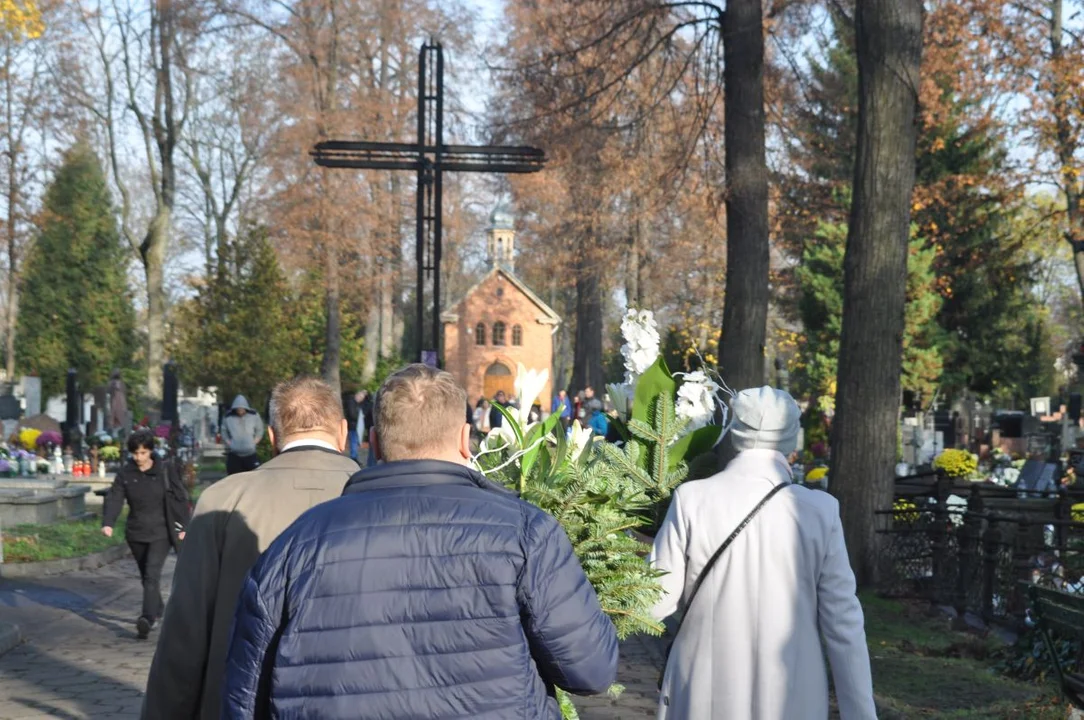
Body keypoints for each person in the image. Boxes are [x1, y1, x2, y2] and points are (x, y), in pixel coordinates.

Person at [221, 364, 618, 718]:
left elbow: (245, 693)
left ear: (373, 443)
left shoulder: (298, 542)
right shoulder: (527, 533)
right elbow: (590, 670)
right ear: (466, 440)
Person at [650, 386, 875, 720]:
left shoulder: (691, 499)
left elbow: (653, 600)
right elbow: (843, 624)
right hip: (794, 695)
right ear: (791, 439)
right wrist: (861, 714)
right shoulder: (820, 511)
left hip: (702, 691)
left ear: (734, 433)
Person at [141, 377, 359, 720]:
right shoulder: (387, 500)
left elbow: (187, 627)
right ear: (344, 432)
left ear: (272, 437)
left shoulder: (223, 501)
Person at [101, 429, 190, 640]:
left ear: (150, 451)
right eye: (135, 453)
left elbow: (180, 500)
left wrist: (183, 527)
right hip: (136, 532)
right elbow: (115, 498)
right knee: (146, 577)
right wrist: (108, 523)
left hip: (161, 532)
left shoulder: (165, 470)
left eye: (143, 452)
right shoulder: (125, 474)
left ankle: (147, 619)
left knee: (152, 574)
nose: (139, 458)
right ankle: (158, 609)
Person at [222, 394, 264, 475]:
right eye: (238, 409)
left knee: (252, 478)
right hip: (235, 455)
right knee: (233, 478)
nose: (240, 411)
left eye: (242, 409)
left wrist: (254, 442)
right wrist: (229, 443)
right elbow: (224, 431)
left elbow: (260, 430)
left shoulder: (254, 416)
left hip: (250, 454)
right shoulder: (228, 417)